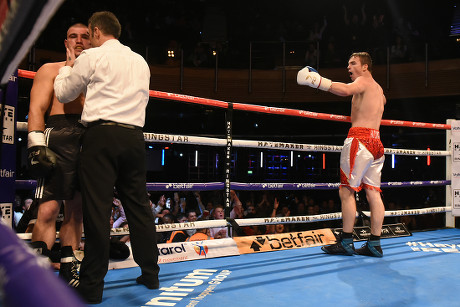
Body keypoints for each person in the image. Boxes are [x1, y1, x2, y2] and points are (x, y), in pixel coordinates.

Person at [54, 11, 159, 303]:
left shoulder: (93, 56)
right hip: (134, 138)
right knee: (138, 207)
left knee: (98, 210)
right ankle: (151, 274)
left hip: (101, 137)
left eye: (89, 34)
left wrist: (68, 66)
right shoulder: (140, 60)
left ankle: (92, 287)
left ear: (97, 31)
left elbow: (64, 94)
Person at [297, 52, 386, 257]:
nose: (348, 67)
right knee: (373, 193)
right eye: (348, 63)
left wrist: (317, 81)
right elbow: (382, 100)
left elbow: (345, 90)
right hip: (377, 142)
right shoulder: (378, 89)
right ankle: (374, 243)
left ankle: (346, 241)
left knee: (346, 191)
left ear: (365, 67)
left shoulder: (363, 81)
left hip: (360, 139)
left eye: (353, 63)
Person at [27, 23, 91, 286]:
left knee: (76, 210)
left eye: (85, 36)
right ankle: (35, 275)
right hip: (58, 134)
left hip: (88, 136)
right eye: (73, 36)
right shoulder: (49, 69)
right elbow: (37, 108)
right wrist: (36, 143)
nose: (79, 41)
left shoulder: (98, 72)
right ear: (65, 41)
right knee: (48, 209)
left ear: (93, 41)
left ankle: (69, 268)